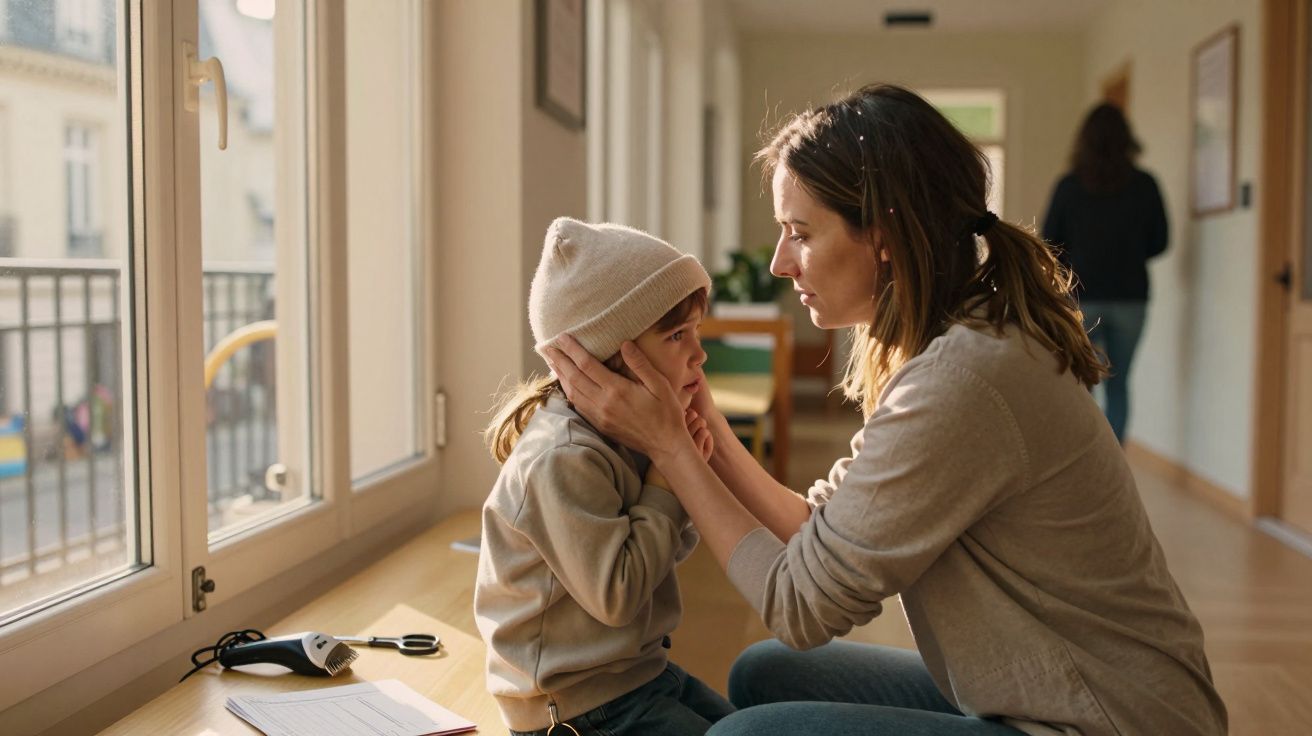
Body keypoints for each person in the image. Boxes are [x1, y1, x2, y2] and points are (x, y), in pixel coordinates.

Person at [543, 85, 1226, 735]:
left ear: (884, 235)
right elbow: (818, 530)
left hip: (1102, 720)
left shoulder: (964, 380)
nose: (780, 263)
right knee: (764, 672)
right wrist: (702, 418)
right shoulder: (956, 342)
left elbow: (800, 605)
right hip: (1047, 693)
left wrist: (672, 449)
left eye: (800, 233)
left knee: (747, 734)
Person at [475, 217, 735, 736]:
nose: (699, 354)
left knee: (752, 726)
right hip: (579, 711)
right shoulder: (562, 458)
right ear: (612, 354)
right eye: (677, 336)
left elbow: (659, 556)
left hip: (635, 676)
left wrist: (676, 476)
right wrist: (665, 483)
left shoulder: (619, 436)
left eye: (696, 332)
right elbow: (619, 596)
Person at [1042, 103, 1169, 443]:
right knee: (1119, 383)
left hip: (1081, 296)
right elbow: (1160, 241)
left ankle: (1084, 456)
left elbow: (1049, 242)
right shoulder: (1145, 185)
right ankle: (1115, 461)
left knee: (1080, 381)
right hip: (1131, 298)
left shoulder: (1069, 187)